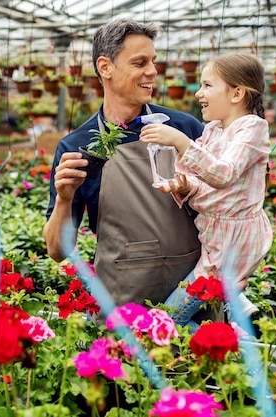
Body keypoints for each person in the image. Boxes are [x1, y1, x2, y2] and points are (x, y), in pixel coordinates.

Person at [43, 19, 205, 313]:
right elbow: (57, 251)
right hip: (121, 303)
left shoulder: (184, 130)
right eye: (140, 62)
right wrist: (64, 199)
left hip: (191, 295)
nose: (153, 72)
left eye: (153, 62)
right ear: (105, 67)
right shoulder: (77, 147)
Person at [139, 52, 272, 331]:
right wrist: (184, 184)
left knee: (172, 316)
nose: (199, 93)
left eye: (208, 85)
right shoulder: (213, 130)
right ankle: (233, 316)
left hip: (233, 243)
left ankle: (224, 343)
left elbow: (223, 174)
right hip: (214, 237)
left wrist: (180, 140)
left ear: (237, 93)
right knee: (196, 309)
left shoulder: (252, 128)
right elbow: (203, 178)